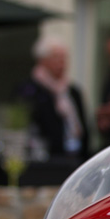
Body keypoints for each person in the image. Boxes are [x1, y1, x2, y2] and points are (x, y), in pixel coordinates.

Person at [15, 33, 89, 161]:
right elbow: (21, 129)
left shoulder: (73, 92)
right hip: (44, 162)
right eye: (56, 58)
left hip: (74, 158)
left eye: (64, 58)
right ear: (42, 61)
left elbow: (85, 129)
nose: (61, 63)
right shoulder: (28, 91)